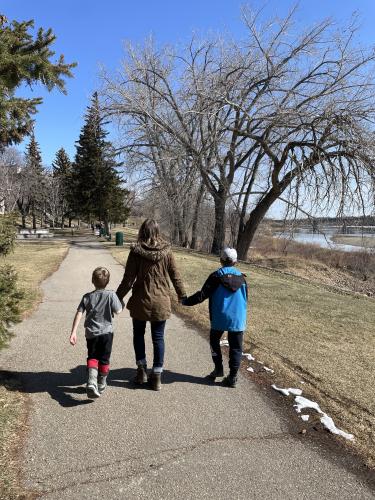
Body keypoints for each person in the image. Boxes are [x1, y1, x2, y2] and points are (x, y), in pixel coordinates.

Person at [116, 219, 186, 391]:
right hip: (161, 302)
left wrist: (117, 297)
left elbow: (128, 279)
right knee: (158, 338)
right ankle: (156, 377)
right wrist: (182, 295)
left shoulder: (136, 252)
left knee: (139, 335)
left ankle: (141, 371)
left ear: (142, 232)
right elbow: (175, 276)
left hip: (141, 300)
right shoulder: (167, 251)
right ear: (157, 232)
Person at [182, 248, 247, 388]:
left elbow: (202, 295)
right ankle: (233, 377)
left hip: (220, 316)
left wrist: (185, 301)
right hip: (238, 317)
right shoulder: (242, 278)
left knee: (214, 341)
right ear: (235, 262)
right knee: (236, 347)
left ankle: (218, 369)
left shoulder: (216, 276)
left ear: (221, 260)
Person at [69, 267, 123, 398]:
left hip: (91, 334)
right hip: (107, 334)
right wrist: (121, 303)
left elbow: (79, 313)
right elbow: (118, 311)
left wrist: (73, 332)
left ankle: (92, 382)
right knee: (104, 359)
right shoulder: (111, 295)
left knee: (93, 356)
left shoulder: (87, 297)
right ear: (108, 281)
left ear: (92, 280)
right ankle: (101, 383)